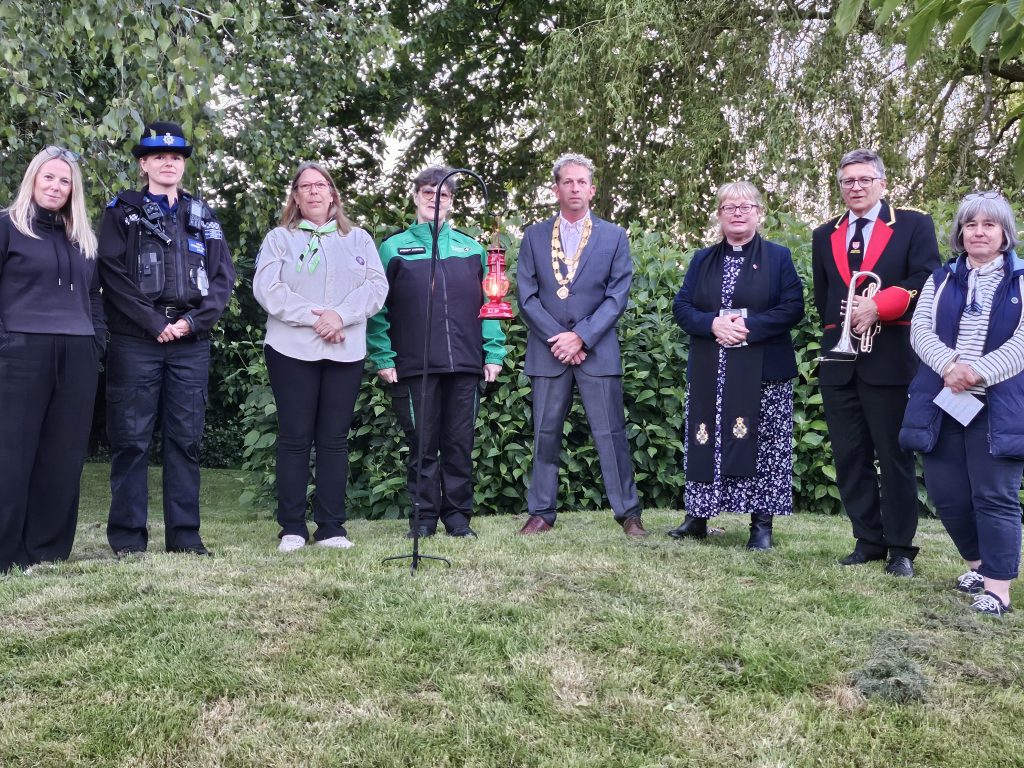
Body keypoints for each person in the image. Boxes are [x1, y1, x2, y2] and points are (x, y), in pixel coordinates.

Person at [97, 121, 235, 557]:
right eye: (159, 156)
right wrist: (153, 321)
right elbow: (112, 275)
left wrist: (193, 323)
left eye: (175, 157)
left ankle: (186, 537)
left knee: (185, 439)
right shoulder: (122, 211)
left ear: (183, 164)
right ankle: (127, 539)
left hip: (189, 342)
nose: (168, 162)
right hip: (137, 340)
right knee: (132, 439)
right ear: (144, 164)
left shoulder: (202, 215)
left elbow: (222, 279)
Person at [812, 148, 940, 577]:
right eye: (848, 181)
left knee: (894, 456)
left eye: (865, 179)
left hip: (890, 359)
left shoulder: (913, 224)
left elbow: (927, 278)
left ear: (882, 183)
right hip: (839, 360)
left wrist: (878, 306)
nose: (856, 187)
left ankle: (901, 548)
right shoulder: (823, 233)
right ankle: (867, 540)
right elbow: (823, 299)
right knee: (850, 456)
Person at [901, 192, 1024, 616]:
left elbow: (1023, 341)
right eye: (971, 224)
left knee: (994, 496)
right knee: (947, 494)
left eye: (989, 225)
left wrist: (978, 372)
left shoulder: (1022, 278)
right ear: (960, 232)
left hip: (998, 405)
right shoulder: (941, 279)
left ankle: (998, 590)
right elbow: (920, 332)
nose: (979, 232)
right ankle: (977, 565)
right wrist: (950, 366)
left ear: (1004, 233)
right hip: (945, 401)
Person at [254, 162, 387, 552]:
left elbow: (375, 287)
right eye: (304, 186)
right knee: (295, 438)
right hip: (291, 349)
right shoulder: (280, 238)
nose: (313, 192)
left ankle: (331, 527)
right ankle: (292, 528)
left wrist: (340, 317)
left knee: (333, 440)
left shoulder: (359, 239)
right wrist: (318, 319)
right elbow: (268, 288)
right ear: (295, 196)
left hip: (344, 350)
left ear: (333, 194)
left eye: (321, 185)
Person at [366, 166, 505, 538]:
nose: (435, 199)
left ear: (453, 202)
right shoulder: (393, 248)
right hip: (413, 365)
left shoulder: (472, 248)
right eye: (428, 192)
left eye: (443, 194)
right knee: (423, 446)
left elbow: (489, 304)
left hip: (465, 362)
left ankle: (458, 518)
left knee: (459, 444)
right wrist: (382, 356)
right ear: (415, 197)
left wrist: (493, 353)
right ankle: (423, 519)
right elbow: (378, 308)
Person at [515, 152, 645, 537]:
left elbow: (617, 296)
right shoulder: (534, 236)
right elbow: (526, 295)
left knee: (611, 435)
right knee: (545, 434)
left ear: (592, 188)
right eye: (567, 182)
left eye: (581, 182)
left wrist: (582, 336)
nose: (574, 188)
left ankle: (629, 514)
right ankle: (540, 513)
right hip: (549, 351)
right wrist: (561, 339)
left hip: (597, 351)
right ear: (556, 189)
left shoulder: (614, 236)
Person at [669, 182, 804, 549]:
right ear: (719, 214)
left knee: (763, 444)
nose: (738, 213)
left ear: (759, 213)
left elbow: (793, 307)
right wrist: (712, 324)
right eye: (729, 206)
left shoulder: (778, 257)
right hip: (712, 368)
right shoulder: (701, 259)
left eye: (746, 206)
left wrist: (748, 329)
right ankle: (697, 517)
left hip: (762, 370)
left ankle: (761, 526)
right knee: (705, 440)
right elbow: (682, 308)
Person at [0, 146, 105, 573]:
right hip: (20, 352)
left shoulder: (82, 237)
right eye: (49, 177)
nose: (56, 186)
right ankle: (6, 554)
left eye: (64, 181)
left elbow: (95, 298)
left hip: (78, 352)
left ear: (72, 189)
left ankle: (45, 553)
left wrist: (97, 341)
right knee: (11, 454)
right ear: (33, 179)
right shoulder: (6, 227)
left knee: (62, 457)